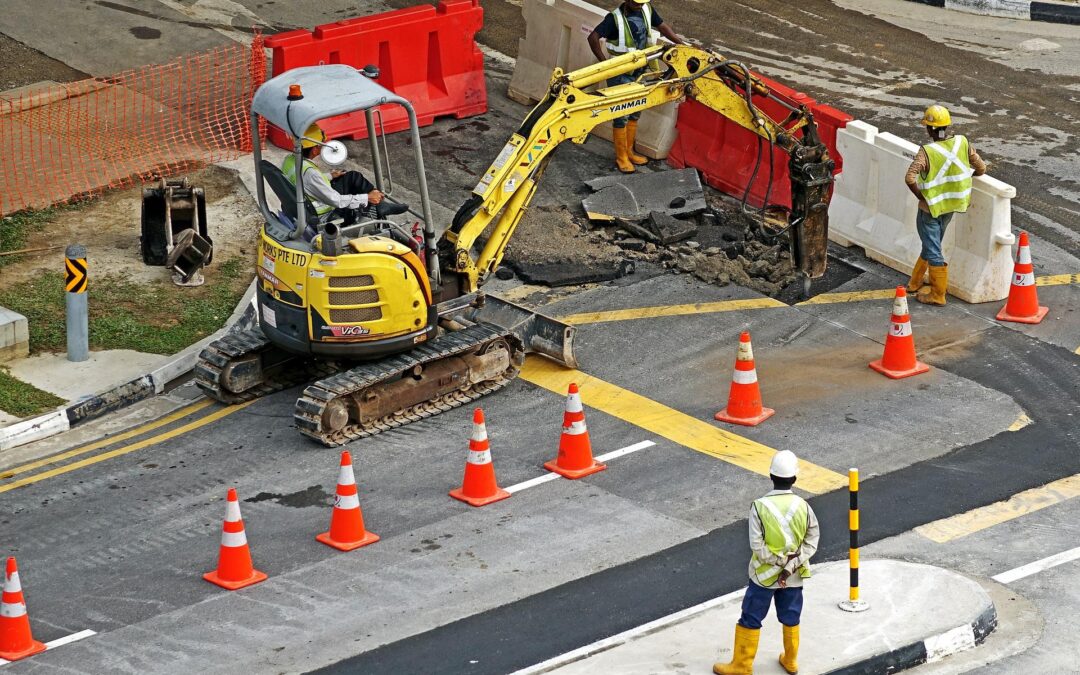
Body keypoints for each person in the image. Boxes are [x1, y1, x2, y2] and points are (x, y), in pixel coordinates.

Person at [714, 450, 819, 675]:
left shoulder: (759, 507)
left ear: (771, 475)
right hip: (793, 576)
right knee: (791, 616)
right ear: (795, 478)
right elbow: (812, 541)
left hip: (763, 576)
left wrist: (778, 561)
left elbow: (757, 546)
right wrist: (791, 564)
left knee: (751, 616)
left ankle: (742, 665)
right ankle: (790, 661)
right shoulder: (804, 506)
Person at [587, 0, 683, 173]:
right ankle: (621, 156)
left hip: (640, 70)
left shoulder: (647, 10)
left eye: (642, 2)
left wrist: (680, 43)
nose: (639, 5)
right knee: (621, 113)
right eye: (636, 3)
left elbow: (662, 27)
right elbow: (592, 37)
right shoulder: (614, 19)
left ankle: (630, 152)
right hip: (619, 74)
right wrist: (605, 65)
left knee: (635, 110)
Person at [904, 104, 986, 306]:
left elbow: (909, 177)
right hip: (951, 206)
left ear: (930, 129)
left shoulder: (927, 152)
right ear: (947, 126)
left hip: (929, 209)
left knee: (933, 249)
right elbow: (981, 168)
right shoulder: (962, 143)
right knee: (932, 243)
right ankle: (915, 282)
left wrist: (921, 198)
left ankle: (937, 294)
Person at [281, 124, 408, 226]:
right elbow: (336, 200)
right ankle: (375, 203)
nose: (321, 148)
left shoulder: (289, 160)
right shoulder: (310, 173)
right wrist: (366, 198)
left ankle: (379, 204)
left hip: (306, 202)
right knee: (358, 196)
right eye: (320, 145)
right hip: (325, 214)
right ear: (314, 149)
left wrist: (330, 176)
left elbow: (305, 183)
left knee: (352, 176)